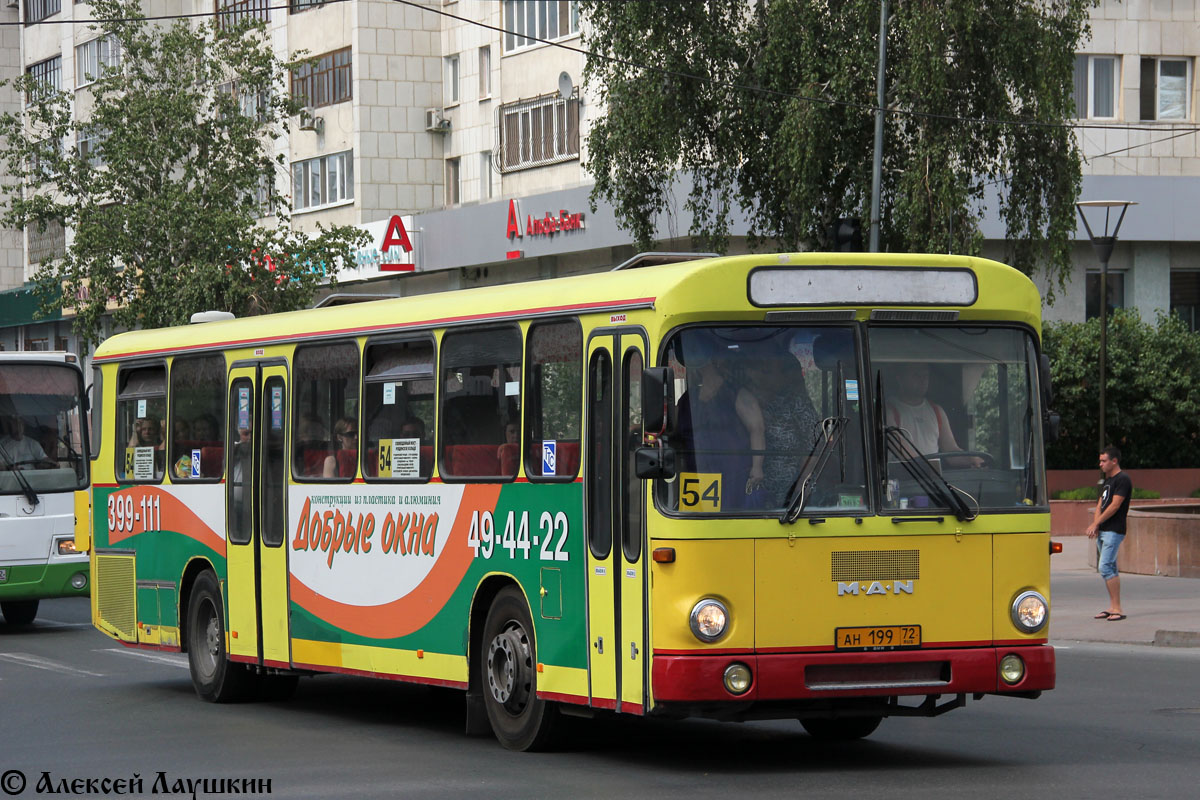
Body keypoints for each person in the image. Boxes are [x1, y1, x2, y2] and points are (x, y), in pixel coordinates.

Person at [673, 334, 765, 509]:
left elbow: (757, 428)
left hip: (731, 474)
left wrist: (757, 467)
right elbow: (677, 438)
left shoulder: (736, 394)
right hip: (695, 474)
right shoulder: (687, 399)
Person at [749, 347, 820, 507]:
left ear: (786, 375)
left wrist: (801, 482)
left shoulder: (797, 402)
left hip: (791, 492)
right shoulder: (757, 400)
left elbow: (815, 443)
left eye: (768, 371)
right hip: (761, 488)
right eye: (762, 370)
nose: (762, 375)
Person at [887, 362, 981, 466]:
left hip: (932, 480)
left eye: (925, 375)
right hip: (904, 480)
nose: (922, 380)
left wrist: (971, 459)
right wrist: (926, 468)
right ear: (900, 379)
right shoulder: (888, 410)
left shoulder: (936, 411)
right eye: (916, 375)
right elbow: (902, 451)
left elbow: (951, 451)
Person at [1086, 445, 1132, 621]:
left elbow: (1115, 505)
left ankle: (1117, 608)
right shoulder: (1108, 481)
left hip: (1114, 530)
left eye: (1104, 461)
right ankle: (1113, 606)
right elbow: (1101, 503)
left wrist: (1096, 522)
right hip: (1104, 529)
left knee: (1105, 566)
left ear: (1114, 461)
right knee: (1110, 567)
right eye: (1100, 461)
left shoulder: (1123, 479)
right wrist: (1096, 524)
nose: (1101, 464)